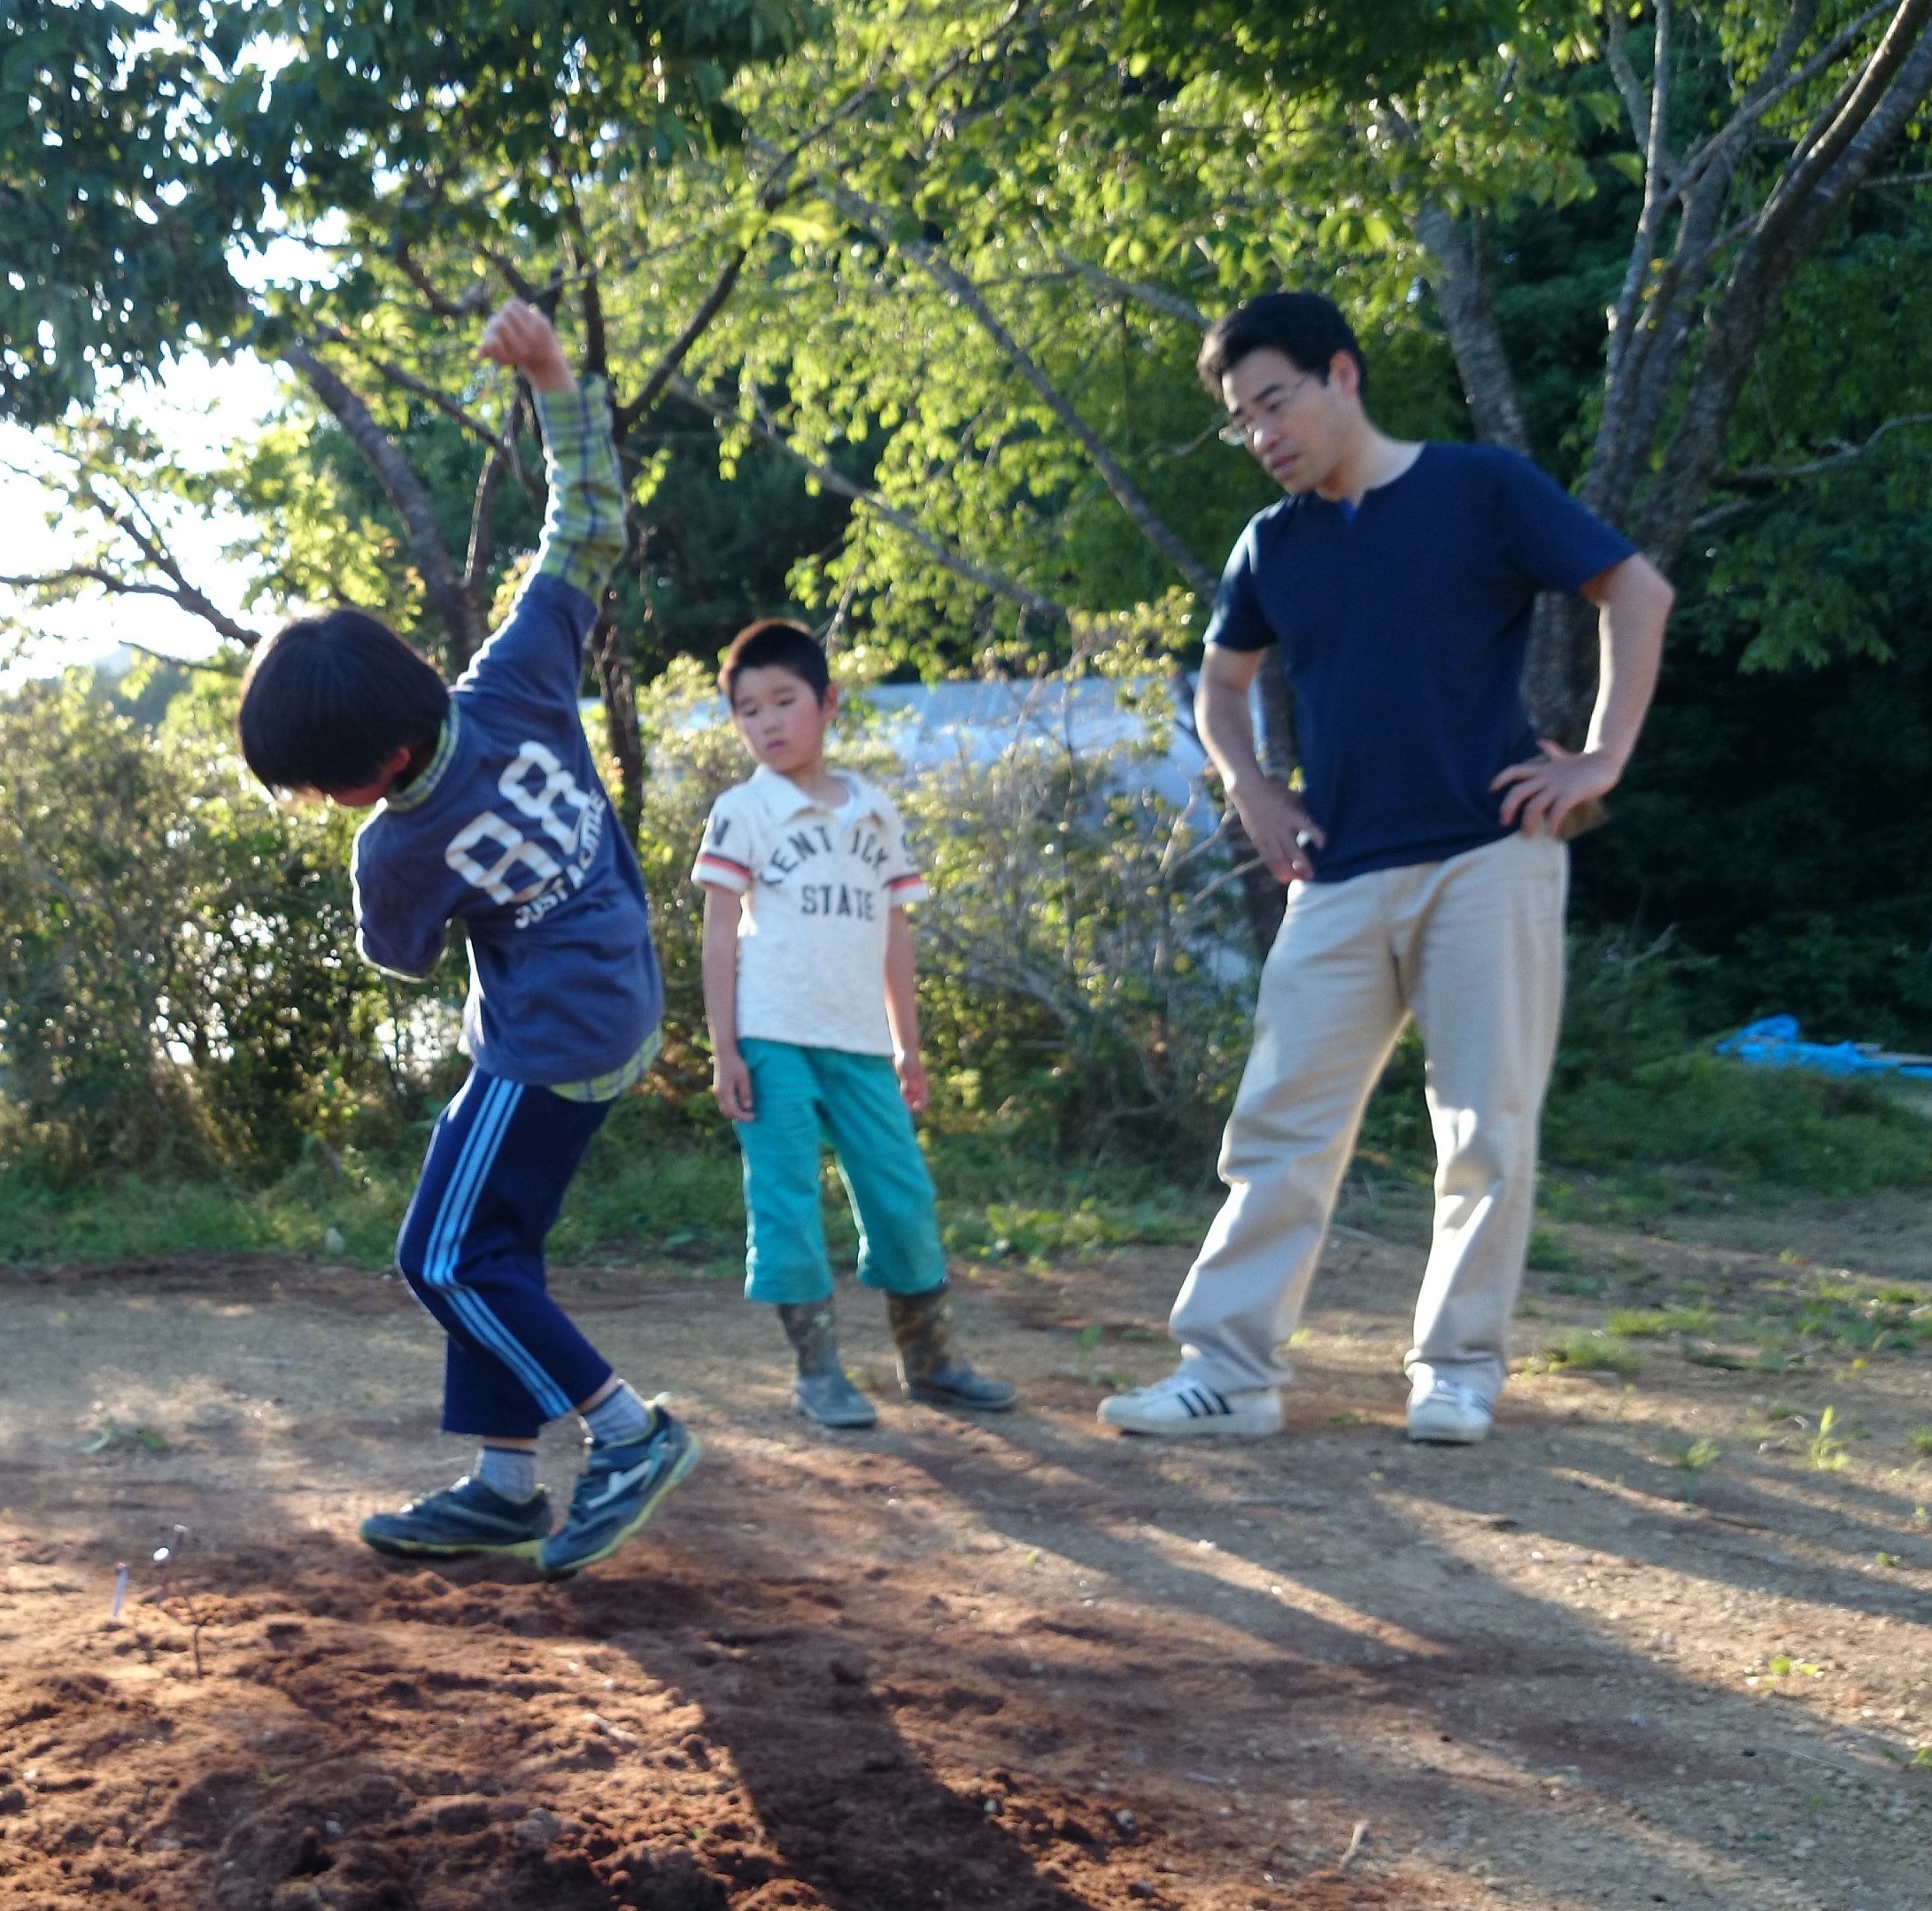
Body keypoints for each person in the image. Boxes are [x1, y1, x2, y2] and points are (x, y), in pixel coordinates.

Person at [1099, 290, 1672, 1446]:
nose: (1260, 432)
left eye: (1273, 401)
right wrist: (1252, 787)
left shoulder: (1478, 487)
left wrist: (1600, 759)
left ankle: (1456, 1373)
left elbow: (1634, 591)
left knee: (1483, 1131)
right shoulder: (1272, 543)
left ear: (1340, 376)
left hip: (1486, 854)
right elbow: (1220, 686)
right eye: (1238, 419)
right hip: (1341, 870)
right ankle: (1228, 1374)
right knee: (1275, 1128)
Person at [235, 297, 697, 1576]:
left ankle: (624, 1430)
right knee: (487, 1234)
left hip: (545, 1040)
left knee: (440, 1253)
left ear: (374, 761)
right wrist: (553, 377)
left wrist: (384, 862)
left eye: (320, 784)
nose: (324, 805)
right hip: (616, 1000)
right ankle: (501, 1483)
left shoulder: (394, 845)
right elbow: (586, 525)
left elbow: (401, 957)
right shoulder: (515, 675)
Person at [692, 619, 1018, 1427]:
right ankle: (819, 1373)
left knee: (902, 1196)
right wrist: (725, 1047)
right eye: (748, 710)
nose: (766, 722)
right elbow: (719, 933)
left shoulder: (875, 811)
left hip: (863, 1045)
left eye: (784, 701)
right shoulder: (743, 811)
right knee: (787, 1202)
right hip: (771, 1038)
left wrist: (908, 1043)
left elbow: (894, 934)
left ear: (828, 703)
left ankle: (932, 1362)